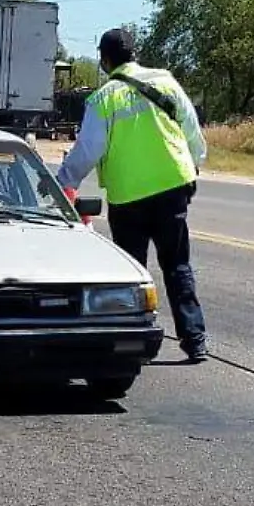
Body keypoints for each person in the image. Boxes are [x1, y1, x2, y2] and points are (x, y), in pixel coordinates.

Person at [55, 29, 209, 362]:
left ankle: (135, 339)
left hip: (130, 198)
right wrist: (194, 166)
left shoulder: (104, 98)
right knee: (178, 265)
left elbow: (89, 149)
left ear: (104, 59)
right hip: (172, 186)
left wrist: (62, 182)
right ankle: (195, 340)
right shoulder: (166, 81)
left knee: (133, 272)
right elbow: (191, 128)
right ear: (134, 53)